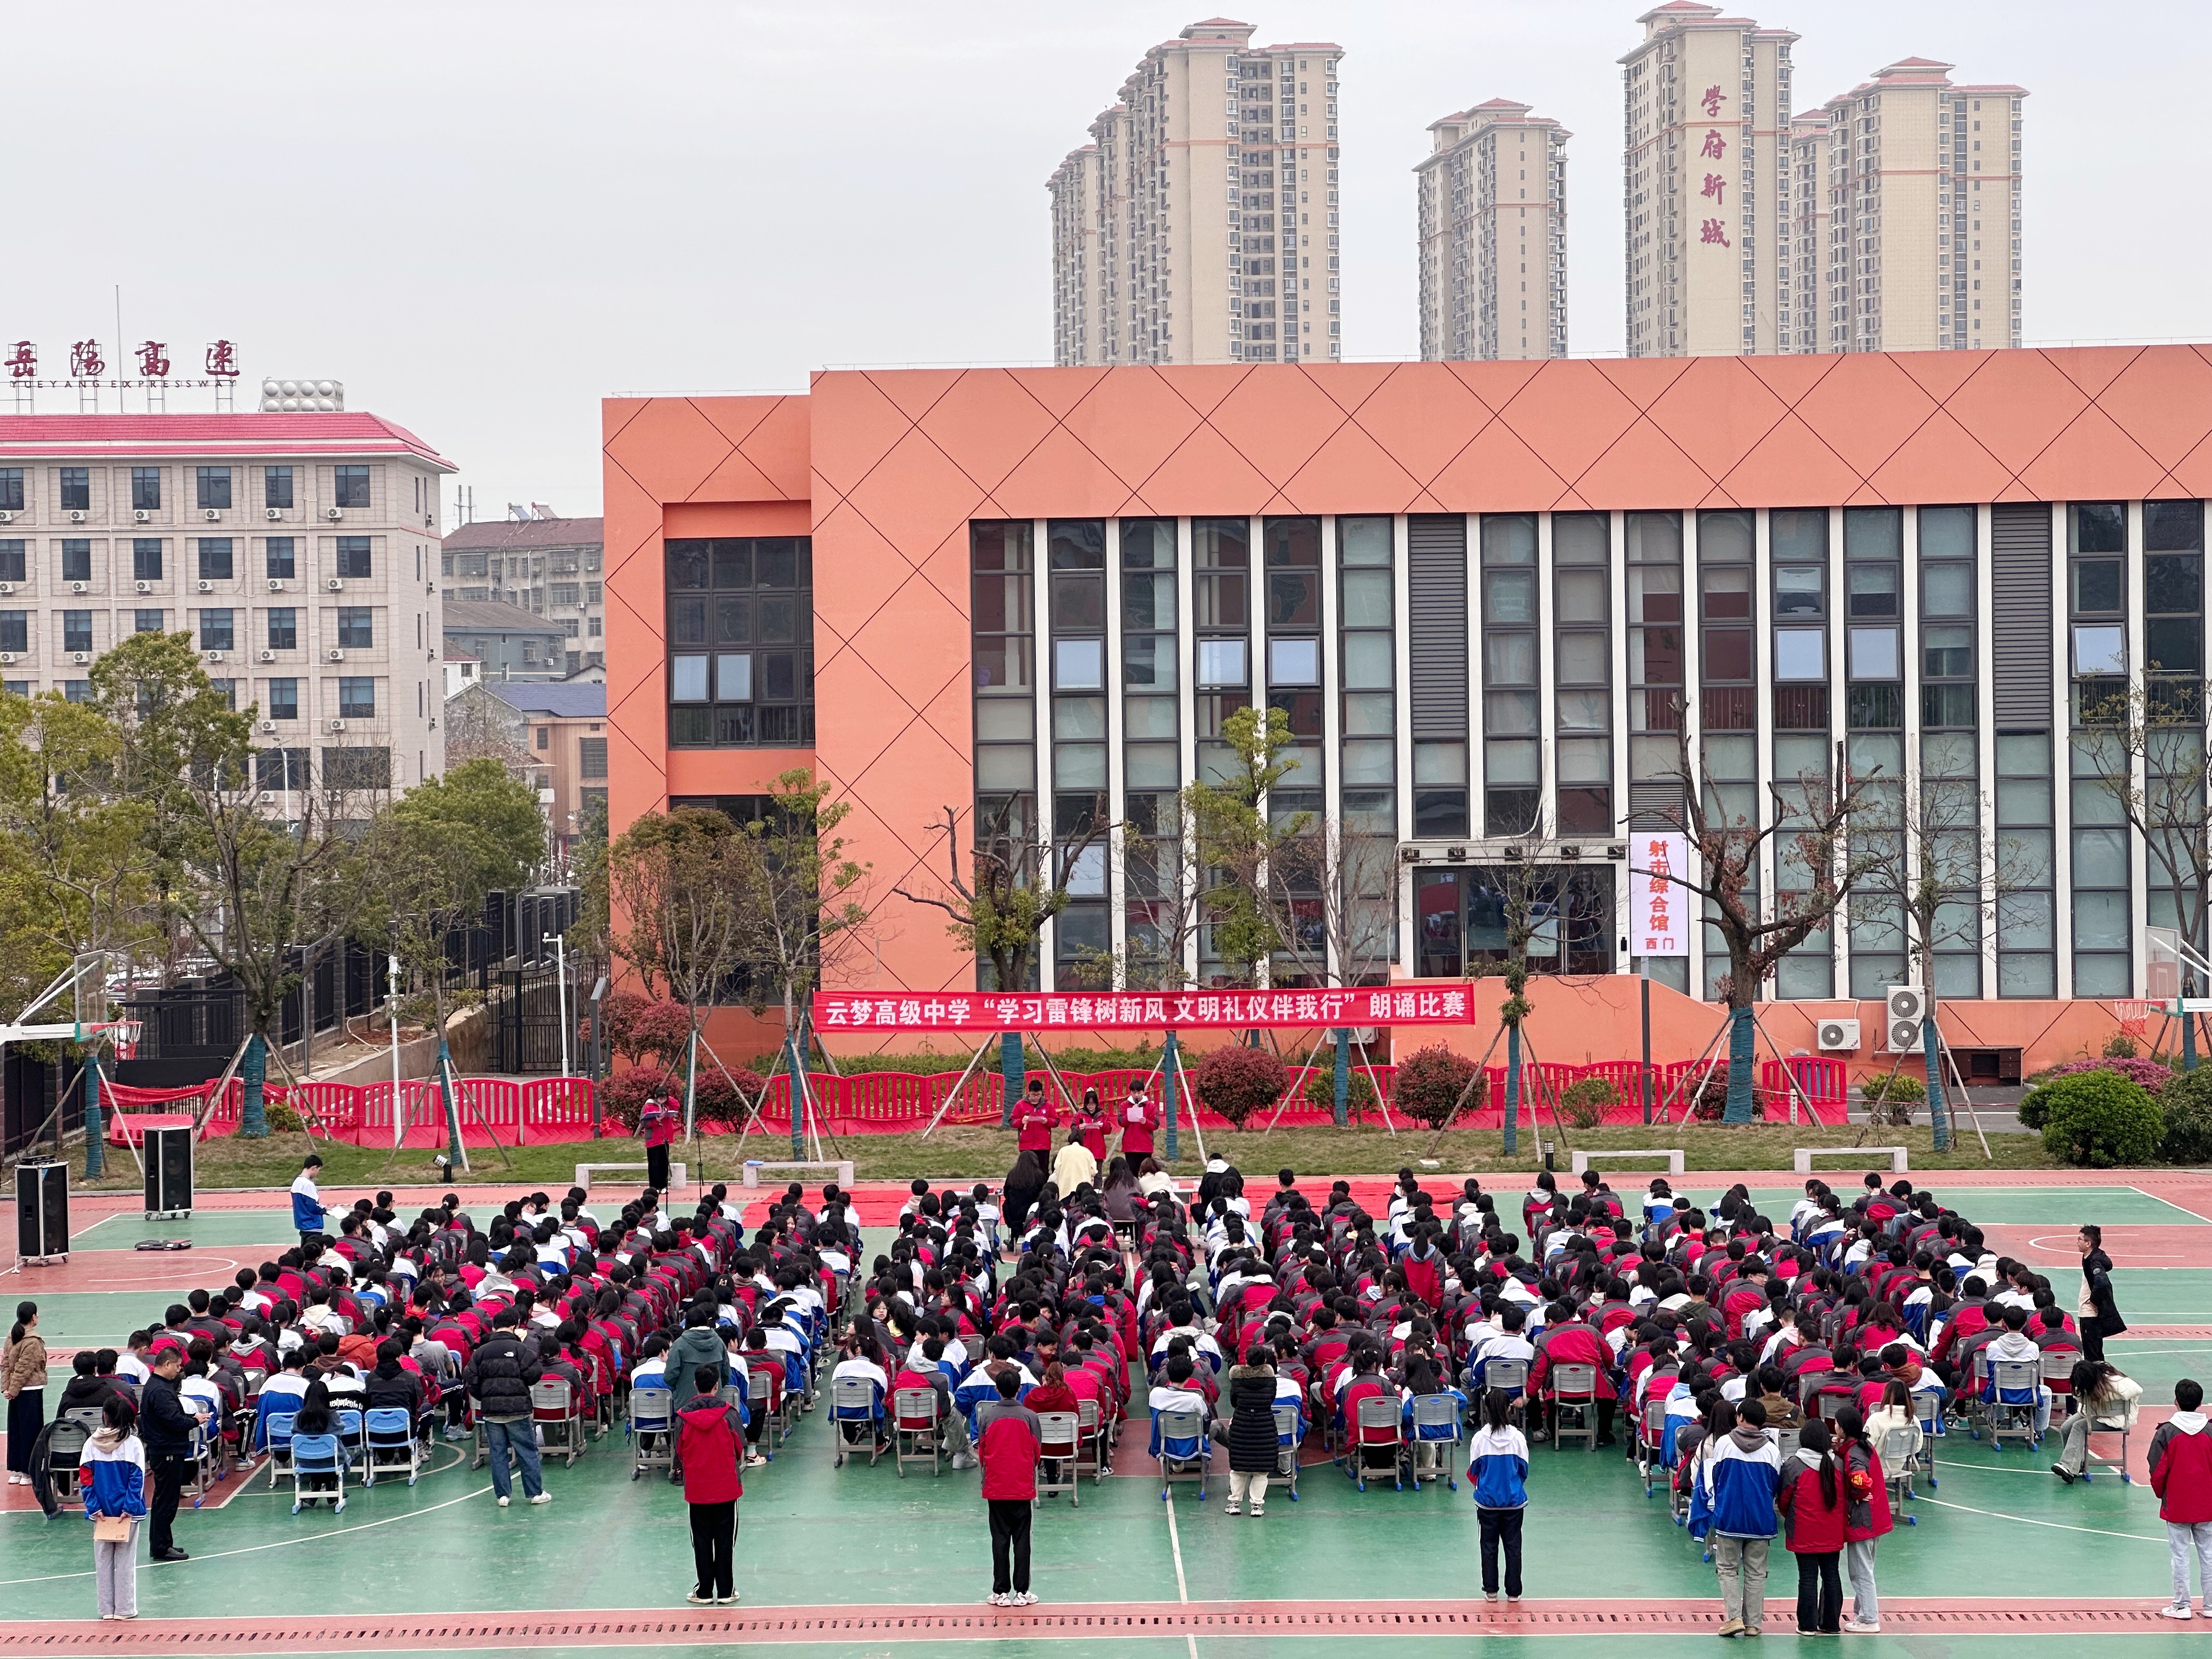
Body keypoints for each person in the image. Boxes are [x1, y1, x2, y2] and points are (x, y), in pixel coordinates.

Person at [1700, 1396, 1781, 1638]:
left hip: (1729, 1517)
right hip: (1761, 1520)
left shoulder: (1724, 1443)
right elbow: (1774, 1485)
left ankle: (1734, 1618)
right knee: (1756, 1572)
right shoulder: (1772, 1450)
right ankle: (1754, 1624)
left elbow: (1716, 1477)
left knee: (1727, 1568)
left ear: (1741, 1418)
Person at [465, 1308, 549, 1508]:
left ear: (494, 1327)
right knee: (526, 1451)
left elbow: (471, 1378)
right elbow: (535, 1373)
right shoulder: (521, 1349)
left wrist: (485, 1397)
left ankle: (502, 1495)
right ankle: (535, 1493)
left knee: (497, 1453)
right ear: (515, 1326)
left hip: (491, 1411)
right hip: (517, 1409)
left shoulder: (481, 1352)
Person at [675, 1364, 744, 1605]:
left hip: (697, 1489)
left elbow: (680, 1450)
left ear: (695, 1385)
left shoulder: (682, 1417)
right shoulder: (729, 1414)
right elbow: (739, 1447)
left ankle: (704, 1591)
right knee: (725, 1540)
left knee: (701, 1541)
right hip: (726, 1488)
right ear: (717, 1386)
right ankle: (726, 1590)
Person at [977, 1368, 1043, 1607]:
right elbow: (1037, 1453)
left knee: (1000, 1539)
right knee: (1022, 1540)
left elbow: (982, 1451)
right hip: (1022, 1488)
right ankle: (1022, 1592)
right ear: (1019, 1389)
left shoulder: (987, 1417)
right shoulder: (1030, 1417)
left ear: (997, 1389)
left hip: (996, 1488)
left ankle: (1000, 1592)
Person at [1775, 1418, 1846, 1636]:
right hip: (1832, 1532)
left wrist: (1791, 1517)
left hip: (1804, 1533)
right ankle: (1831, 1624)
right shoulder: (1837, 1464)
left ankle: (1807, 1625)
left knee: (1807, 1577)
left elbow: (1784, 1500)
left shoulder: (1793, 1465)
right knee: (1831, 1575)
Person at [80, 1395, 147, 1621]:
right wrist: (129, 1508)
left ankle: (106, 1610)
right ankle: (125, 1609)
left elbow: (86, 1479)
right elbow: (137, 1480)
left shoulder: (91, 1444)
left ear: (105, 1416)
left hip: (101, 1513)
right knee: (126, 1561)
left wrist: (93, 1507)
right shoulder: (133, 1444)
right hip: (128, 1514)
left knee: (103, 1562)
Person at [2149, 1378, 2212, 1620]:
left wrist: (2163, 1495)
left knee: (2180, 1556)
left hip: (2177, 1505)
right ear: (2200, 1403)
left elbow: (2157, 1470)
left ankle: (2181, 1606)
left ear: (2176, 1402)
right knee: (2209, 1555)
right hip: (2207, 1505)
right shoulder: (2210, 1431)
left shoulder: (2166, 1432)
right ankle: (2210, 1606)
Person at [1469, 1388, 1531, 1604]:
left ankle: (1491, 1590)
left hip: (1487, 1503)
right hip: (1513, 1502)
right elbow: (1523, 1469)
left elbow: (1474, 1469)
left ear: (1486, 1409)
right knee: (1513, 1546)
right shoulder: (1518, 1438)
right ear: (1508, 1408)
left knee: (1488, 1546)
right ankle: (1514, 1592)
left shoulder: (1479, 1439)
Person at [1834, 1406, 1891, 1633]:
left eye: (1837, 1424)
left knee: (1860, 1572)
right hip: (1875, 1518)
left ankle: (1869, 1619)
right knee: (1866, 1567)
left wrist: (1858, 1493)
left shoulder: (1855, 1454)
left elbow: (1859, 1477)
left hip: (1862, 1520)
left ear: (1843, 1429)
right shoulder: (1862, 1446)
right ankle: (1862, 1612)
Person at [139, 1345, 195, 1562]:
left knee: (165, 1499)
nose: (179, 1370)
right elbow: (173, 1421)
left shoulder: (158, 1386)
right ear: (167, 1364)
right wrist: (194, 1421)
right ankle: (161, 1548)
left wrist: (189, 1418)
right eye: (178, 1366)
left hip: (165, 1448)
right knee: (166, 1501)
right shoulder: (161, 1391)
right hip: (167, 1450)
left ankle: (163, 1543)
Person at [2053, 1358, 2141, 1484]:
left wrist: (2107, 1397)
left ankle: (2068, 1466)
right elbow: (2079, 1398)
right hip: (2094, 1413)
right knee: (2066, 1427)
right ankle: (2076, 1464)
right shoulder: (2089, 1385)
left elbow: (2137, 1389)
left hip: (2115, 1420)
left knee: (2079, 1426)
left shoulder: (2114, 1381)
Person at [1223, 1341, 1278, 1517]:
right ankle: (1257, 1506)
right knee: (1261, 1471)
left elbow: (1233, 1402)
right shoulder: (1271, 1380)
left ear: (1246, 1360)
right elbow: (1271, 1400)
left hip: (1241, 1425)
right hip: (1265, 1426)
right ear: (1264, 1361)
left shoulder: (1237, 1378)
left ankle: (1234, 1503)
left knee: (1238, 1469)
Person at [4, 1300, 46, 1486]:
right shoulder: (32, 1341)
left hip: (15, 1392)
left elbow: (6, 1365)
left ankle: (16, 1470)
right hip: (30, 1391)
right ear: (33, 1317)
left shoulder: (12, 1336)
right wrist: (13, 1390)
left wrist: (8, 1389)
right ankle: (27, 1472)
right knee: (30, 1432)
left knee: (16, 1431)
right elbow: (24, 1369)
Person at [2078, 1226, 2127, 1363]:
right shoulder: (2091, 1256)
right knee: (2094, 1352)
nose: (2077, 1242)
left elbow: (2102, 1283)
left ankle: (2097, 1375)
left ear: (2088, 1243)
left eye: (2080, 1239)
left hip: (2090, 1314)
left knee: (2093, 1355)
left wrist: (2093, 1300)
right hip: (2089, 1313)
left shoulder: (2094, 1261)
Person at [637, 1096, 679, 1193]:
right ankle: (654, 1187)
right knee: (654, 1165)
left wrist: (668, 1098)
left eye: (664, 1097)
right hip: (653, 1140)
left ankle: (663, 1186)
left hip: (664, 1139)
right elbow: (644, 1123)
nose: (662, 1100)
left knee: (664, 1164)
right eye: (661, 1097)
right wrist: (657, 1120)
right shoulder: (648, 1106)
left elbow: (677, 1105)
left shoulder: (666, 1105)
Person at [290, 1156, 329, 1248]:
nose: (318, 1173)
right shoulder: (308, 1184)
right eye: (318, 1170)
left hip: (303, 1223)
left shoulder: (297, 1182)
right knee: (313, 1252)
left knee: (305, 1250)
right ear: (314, 1168)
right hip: (312, 1224)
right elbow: (313, 1206)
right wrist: (325, 1209)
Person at [1050, 1128, 1098, 1199]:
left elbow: (1057, 1168)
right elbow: (1093, 1171)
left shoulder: (1063, 1151)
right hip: (1083, 1191)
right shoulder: (1088, 1152)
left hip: (1065, 1190)